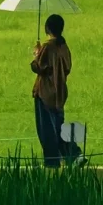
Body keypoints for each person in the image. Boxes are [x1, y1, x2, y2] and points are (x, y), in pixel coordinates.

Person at [31, 13, 72, 168]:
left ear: (47, 28)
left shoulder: (48, 47)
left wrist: (36, 55)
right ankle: (72, 155)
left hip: (45, 93)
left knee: (47, 130)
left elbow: (38, 67)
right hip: (60, 93)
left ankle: (52, 162)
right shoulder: (64, 47)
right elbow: (67, 68)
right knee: (59, 126)